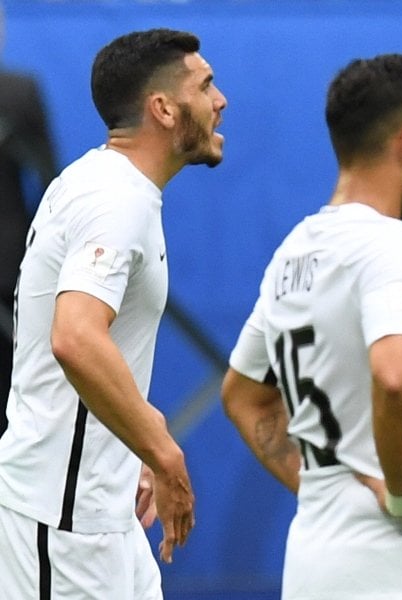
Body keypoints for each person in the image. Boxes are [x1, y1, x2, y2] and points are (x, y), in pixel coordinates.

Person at [221, 53, 402, 599]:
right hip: (394, 557)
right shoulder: (392, 244)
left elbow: (243, 395)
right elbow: (397, 377)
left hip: (312, 558)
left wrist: (327, 485)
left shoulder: (294, 252)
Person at [0, 28, 227, 598]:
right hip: (65, 525)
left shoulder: (107, 185)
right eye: (205, 86)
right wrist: (163, 453)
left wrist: (136, 441)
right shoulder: (114, 200)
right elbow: (75, 338)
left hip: (105, 517)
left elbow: (97, 347)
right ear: (163, 108)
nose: (220, 101)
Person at [0, 1, 59, 430]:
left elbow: (47, 182)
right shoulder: (20, 89)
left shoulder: (19, 90)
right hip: (12, 265)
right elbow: (48, 183)